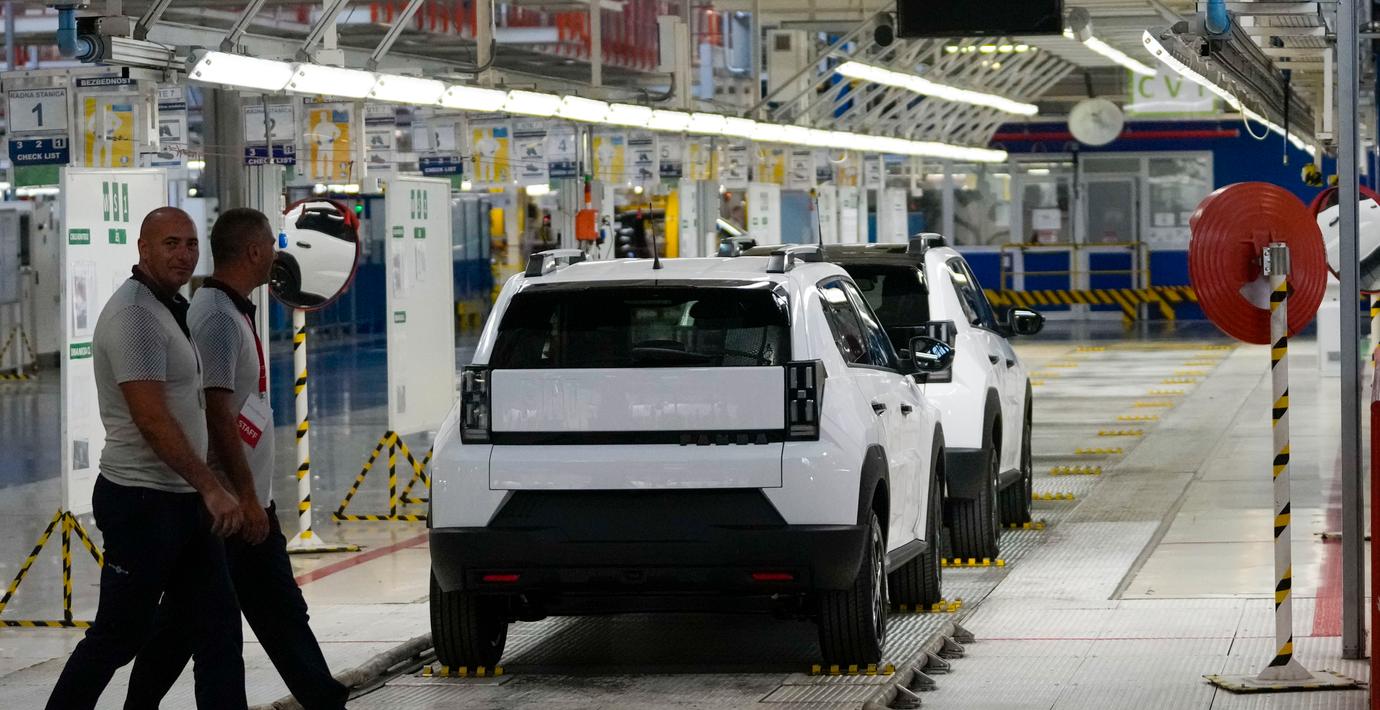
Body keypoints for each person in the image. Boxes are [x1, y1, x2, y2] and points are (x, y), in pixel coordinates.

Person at [125, 208, 349, 710]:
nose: (276, 253)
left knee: (266, 616)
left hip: (246, 501)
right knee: (205, 627)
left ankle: (324, 699)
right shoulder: (217, 318)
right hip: (228, 507)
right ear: (253, 251)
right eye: (272, 245)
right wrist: (245, 498)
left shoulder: (231, 309)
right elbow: (219, 414)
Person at [46, 208, 247, 710]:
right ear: (143, 249)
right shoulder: (135, 316)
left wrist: (205, 485)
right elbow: (152, 419)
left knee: (217, 624)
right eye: (170, 244)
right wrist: (211, 486)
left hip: (182, 498)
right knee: (121, 633)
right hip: (142, 501)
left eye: (191, 244)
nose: (184, 254)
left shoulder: (169, 307)